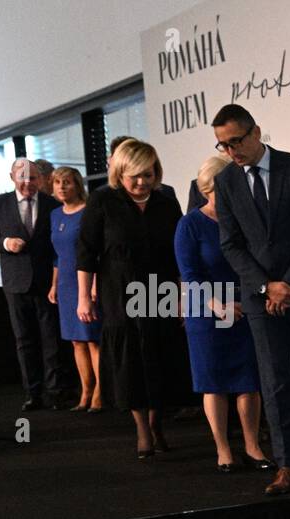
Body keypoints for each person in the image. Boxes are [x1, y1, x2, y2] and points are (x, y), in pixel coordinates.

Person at [212, 104, 290, 495]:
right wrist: (267, 287)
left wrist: (289, 283)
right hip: (260, 300)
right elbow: (231, 245)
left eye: (236, 141)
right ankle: (286, 462)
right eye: (223, 145)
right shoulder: (226, 183)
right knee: (275, 381)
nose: (232, 151)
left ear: (256, 132)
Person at [75, 139, 193, 459]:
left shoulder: (167, 203)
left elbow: (178, 254)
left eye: (149, 175)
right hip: (120, 290)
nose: (142, 182)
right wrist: (84, 298)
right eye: (134, 176)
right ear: (119, 173)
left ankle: (158, 423)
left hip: (161, 288)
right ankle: (142, 428)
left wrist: (182, 297)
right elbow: (85, 254)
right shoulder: (102, 201)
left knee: (162, 355)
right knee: (132, 361)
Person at [174, 155, 269, 473]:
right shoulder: (190, 224)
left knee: (249, 381)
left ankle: (253, 446)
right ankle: (223, 449)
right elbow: (190, 274)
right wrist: (218, 306)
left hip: (247, 309)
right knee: (214, 383)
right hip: (207, 313)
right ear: (207, 189)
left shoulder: (245, 220)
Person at [0, 158, 66, 411]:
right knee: (24, 340)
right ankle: (33, 393)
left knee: (51, 339)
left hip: (46, 282)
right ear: (12, 178)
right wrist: (5, 243)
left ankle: (56, 391)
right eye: (23, 178)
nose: (28, 183)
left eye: (33, 178)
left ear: (40, 179)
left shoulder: (52, 204)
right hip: (15, 282)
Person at [48, 166, 104, 412]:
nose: (62, 187)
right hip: (66, 285)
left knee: (92, 340)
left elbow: (97, 252)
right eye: (58, 182)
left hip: (87, 282)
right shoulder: (55, 215)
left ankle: (100, 393)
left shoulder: (89, 211)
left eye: (67, 182)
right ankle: (86, 392)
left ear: (77, 184)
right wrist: (53, 285)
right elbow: (57, 256)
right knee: (76, 342)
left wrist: (93, 285)